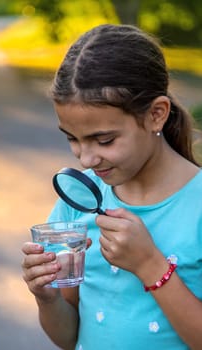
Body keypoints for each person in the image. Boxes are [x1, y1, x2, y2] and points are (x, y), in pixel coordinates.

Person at [21, 24, 202, 350]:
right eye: (72, 139)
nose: (86, 159)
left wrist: (150, 266)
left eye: (103, 140)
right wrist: (47, 299)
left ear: (156, 115)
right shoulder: (77, 198)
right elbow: (67, 338)